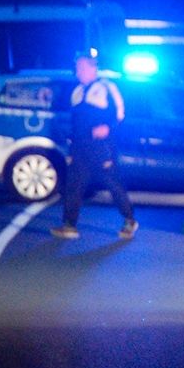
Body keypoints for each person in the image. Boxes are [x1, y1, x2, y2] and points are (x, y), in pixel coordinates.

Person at [52, 51, 136, 240]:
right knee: (73, 184)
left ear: (93, 68)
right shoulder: (77, 92)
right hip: (80, 147)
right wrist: (71, 147)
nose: (78, 71)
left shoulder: (107, 87)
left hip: (102, 146)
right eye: (77, 68)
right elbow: (75, 123)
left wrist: (108, 128)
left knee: (112, 183)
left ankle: (129, 219)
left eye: (82, 67)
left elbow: (120, 114)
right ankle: (69, 225)